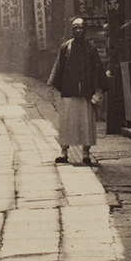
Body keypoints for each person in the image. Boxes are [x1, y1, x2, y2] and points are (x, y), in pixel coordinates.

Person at [47, 17, 107, 167]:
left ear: (85, 30)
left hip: (86, 92)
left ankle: (86, 152)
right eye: (75, 28)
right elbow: (58, 67)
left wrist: (97, 89)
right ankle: (64, 152)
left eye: (81, 28)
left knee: (86, 123)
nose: (78, 31)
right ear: (72, 30)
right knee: (67, 122)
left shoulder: (90, 49)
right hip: (69, 91)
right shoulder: (65, 47)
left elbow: (97, 69)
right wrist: (53, 87)